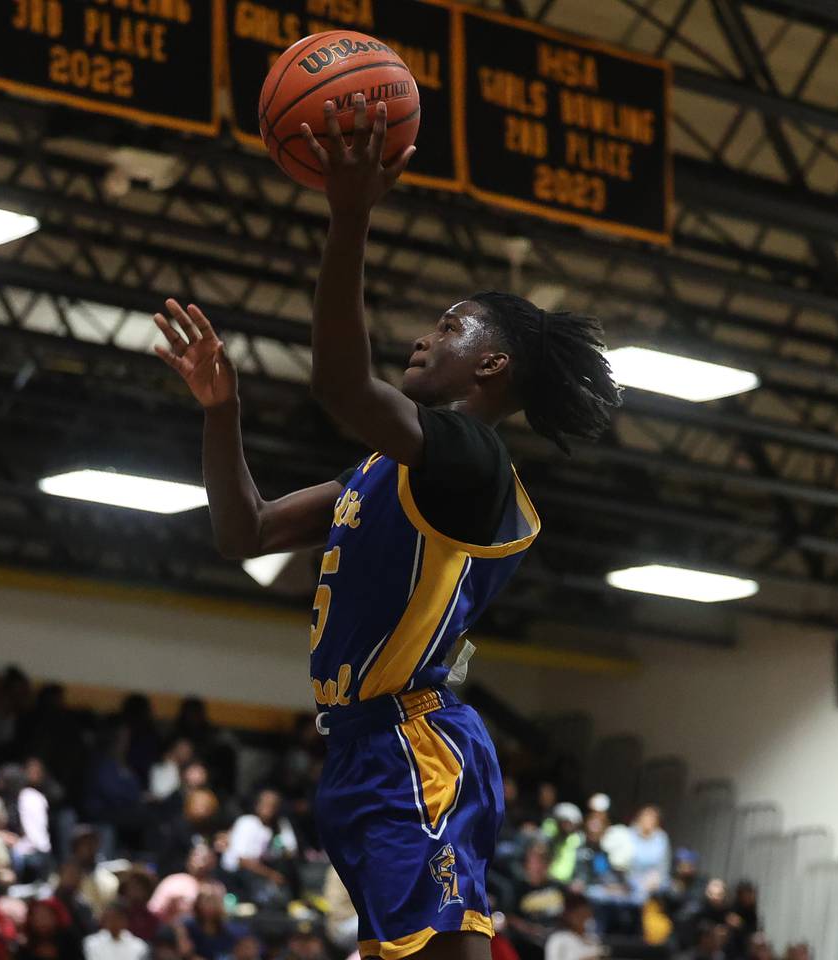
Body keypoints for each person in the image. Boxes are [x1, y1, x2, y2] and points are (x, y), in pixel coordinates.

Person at [151, 93, 619, 960]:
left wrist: (350, 217)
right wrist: (224, 411)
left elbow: (339, 385)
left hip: (416, 743)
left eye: (448, 326)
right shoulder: (381, 473)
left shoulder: (472, 460)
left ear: (491, 362)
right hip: (358, 750)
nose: (422, 337)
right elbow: (243, 533)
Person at [542, 894, 602, 960]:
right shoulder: (558, 939)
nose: (583, 919)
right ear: (568, 915)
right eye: (579, 915)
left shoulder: (592, 938)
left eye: (586, 914)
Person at [84, 902, 150, 960]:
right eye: (109, 918)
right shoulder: (92, 943)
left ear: (125, 920)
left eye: (116, 918)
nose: (112, 922)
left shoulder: (139, 946)